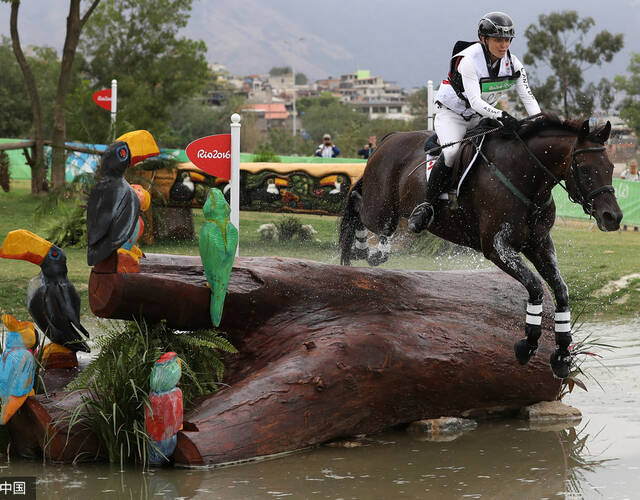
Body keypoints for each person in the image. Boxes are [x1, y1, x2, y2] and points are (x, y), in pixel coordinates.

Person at [408, 11, 541, 233]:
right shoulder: (468, 60)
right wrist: (502, 116)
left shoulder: (514, 63)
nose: (503, 45)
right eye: (498, 39)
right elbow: (476, 101)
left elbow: (527, 96)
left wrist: (540, 122)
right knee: (451, 153)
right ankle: (427, 205)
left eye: (507, 39)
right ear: (483, 39)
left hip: (481, 116)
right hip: (452, 114)